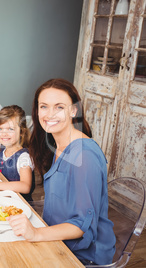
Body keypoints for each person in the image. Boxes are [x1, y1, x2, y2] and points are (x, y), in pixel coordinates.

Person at [8, 79, 115, 265]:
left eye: (59, 107)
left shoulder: (84, 156)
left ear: (73, 111)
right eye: (44, 106)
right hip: (54, 237)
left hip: (81, 257)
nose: (49, 114)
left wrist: (36, 233)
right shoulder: (57, 146)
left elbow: (81, 225)